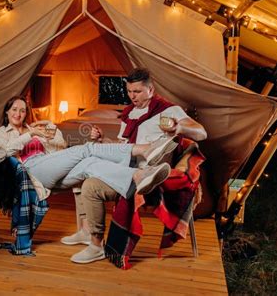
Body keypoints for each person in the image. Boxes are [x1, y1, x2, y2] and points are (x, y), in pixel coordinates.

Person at [61, 67, 207, 264]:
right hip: (126, 167)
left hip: (152, 175)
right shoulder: (129, 114)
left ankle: (96, 246)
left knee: (91, 186)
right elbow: (123, 149)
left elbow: (201, 133)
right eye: (129, 91)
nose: (132, 96)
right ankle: (86, 231)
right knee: (83, 171)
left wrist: (178, 127)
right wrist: (103, 140)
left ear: (150, 90)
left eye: (137, 91)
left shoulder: (168, 110)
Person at [0, 95, 179, 201]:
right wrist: (31, 135)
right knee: (86, 149)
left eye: (23, 110)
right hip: (30, 171)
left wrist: (51, 129)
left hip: (50, 169)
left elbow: (62, 148)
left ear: (26, 113)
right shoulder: (1, 132)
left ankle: (137, 177)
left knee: (90, 163)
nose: (18, 113)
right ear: (7, 111)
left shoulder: (37, 127)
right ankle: (144, 149)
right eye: (15, 109)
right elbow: (5, 152)